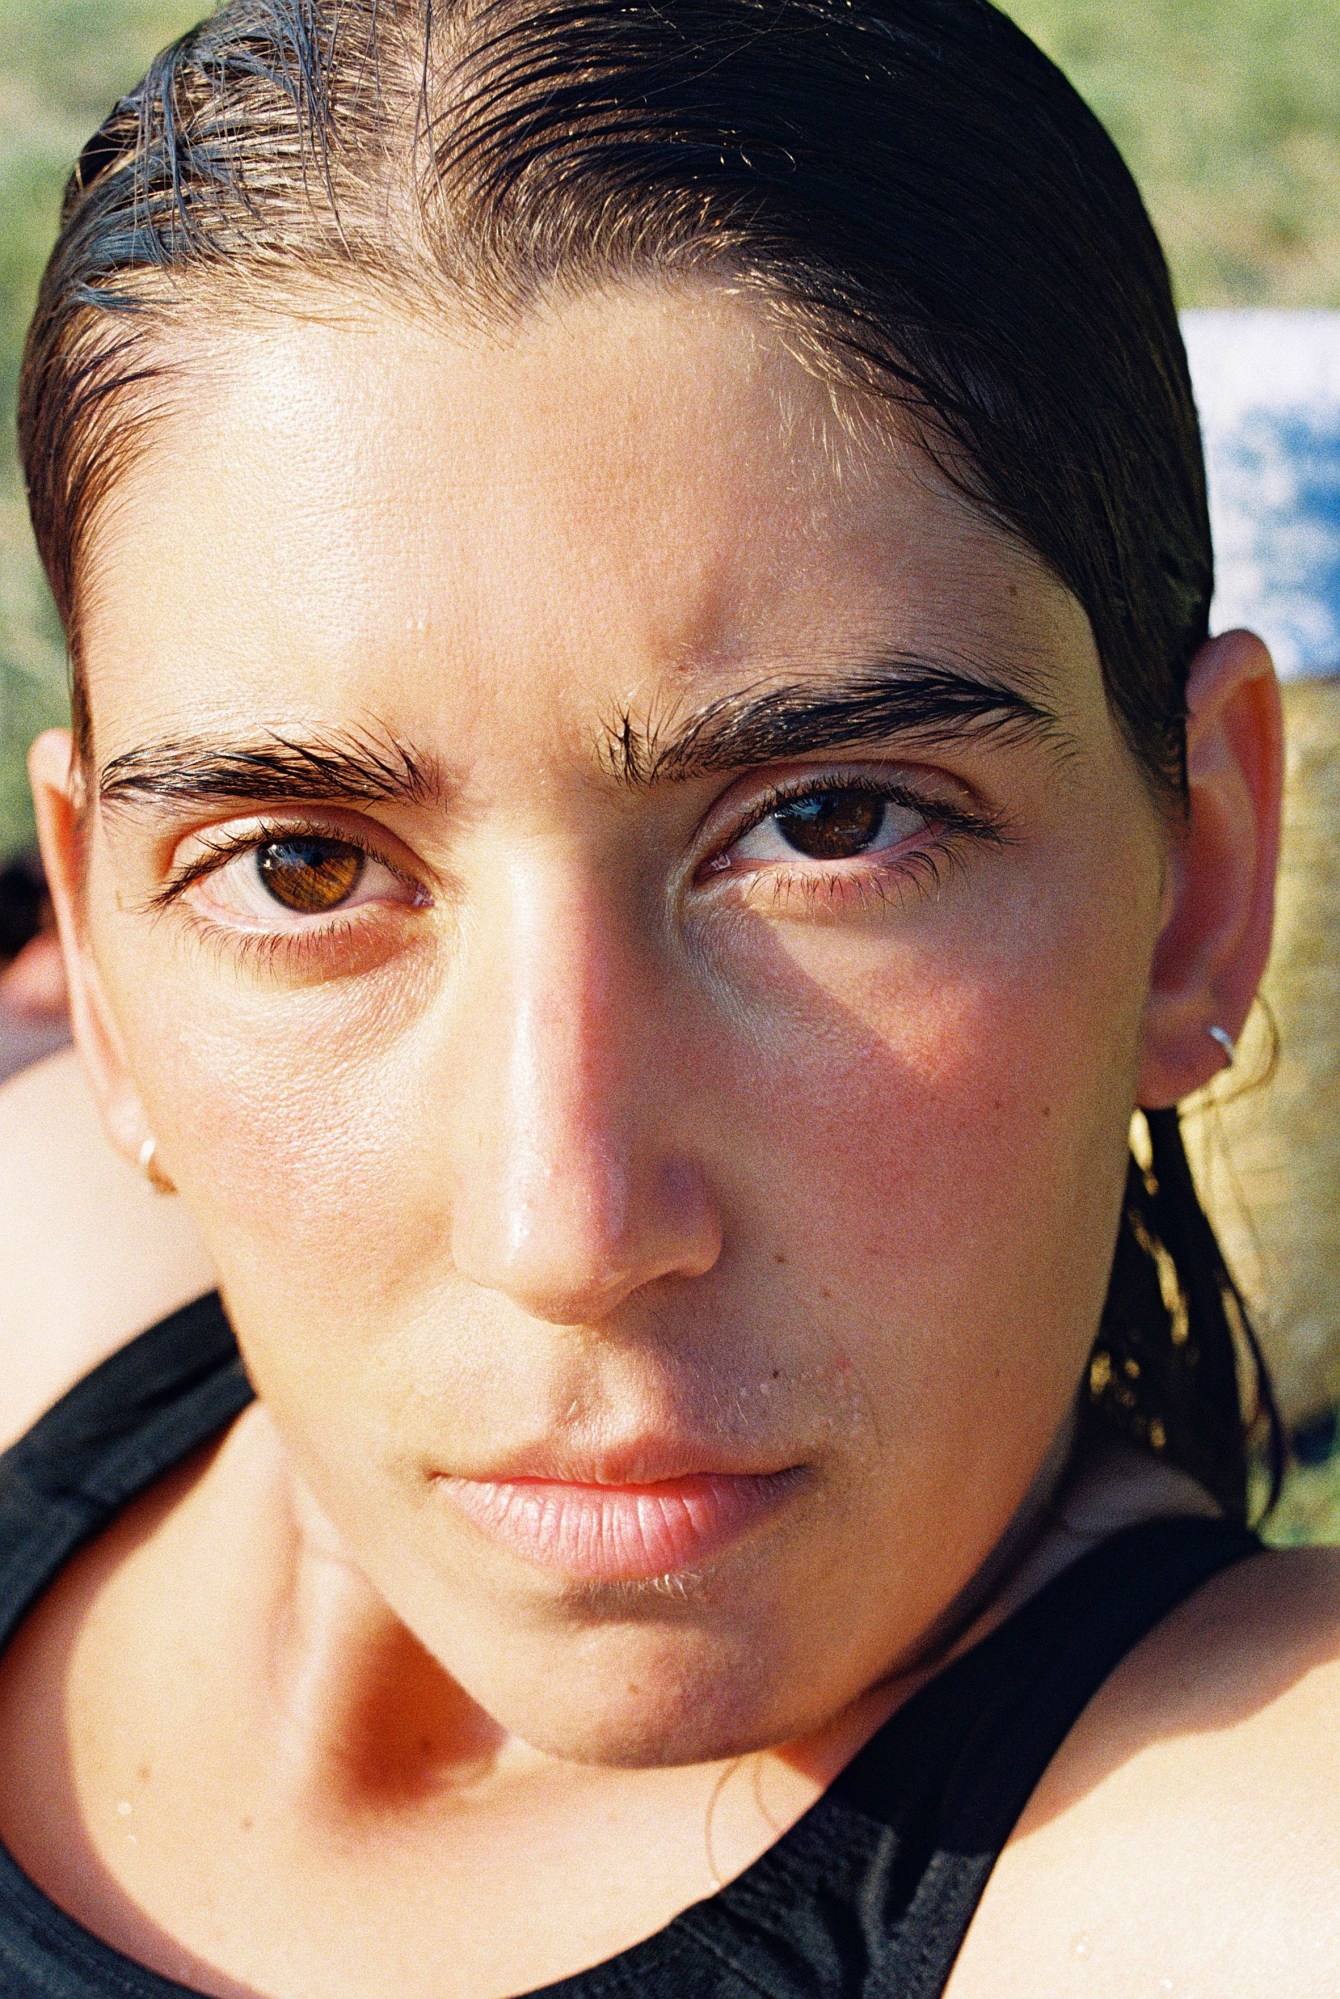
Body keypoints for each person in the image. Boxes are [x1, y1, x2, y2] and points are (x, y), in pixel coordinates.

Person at [0, 2, 1336, 1994]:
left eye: (828, 822)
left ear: (1200, 882)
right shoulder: (39, 1263)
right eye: (303, 865)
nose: (572, 1228)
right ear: (100, 952)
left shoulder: (1244, 1852)